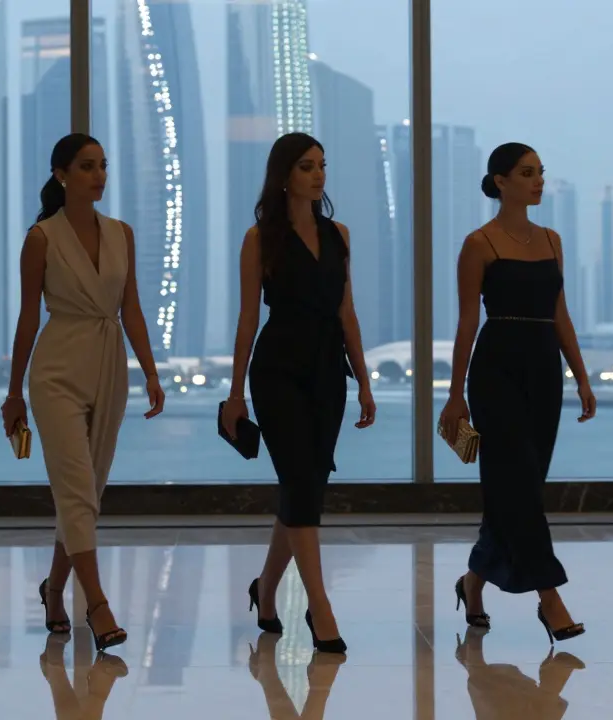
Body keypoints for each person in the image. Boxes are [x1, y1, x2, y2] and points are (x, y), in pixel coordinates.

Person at [2, 133, 165, 653]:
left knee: (86, 495)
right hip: (56, 368)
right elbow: (29, 318)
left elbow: (132, 307)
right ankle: (96, 604)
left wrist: (151, 372)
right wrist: (13, 393)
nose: (99, 175)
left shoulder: (122, 234)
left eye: (103, 166)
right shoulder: (41, 238)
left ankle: (53, 590)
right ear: (61, 174)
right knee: (75, 488)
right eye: (88, 166)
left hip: (109, 362)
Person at [221, 132, 376, 654]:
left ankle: (265, 589)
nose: (318, 175)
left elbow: (346, 311)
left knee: (304, 487)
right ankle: (319, 606)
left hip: (327, 370)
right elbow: (247, 317)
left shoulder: (340, 236)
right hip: (277, 369)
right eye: (307, 166)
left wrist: (365, 379)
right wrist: (236, 392)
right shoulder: (259, 238)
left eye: (323, 165)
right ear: (284, 174)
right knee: (299, 481)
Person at [439, 142, 595, 644]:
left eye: (541, 173)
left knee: (517, 490)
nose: (538, 181)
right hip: (496, 369)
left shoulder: (551, 240)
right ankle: (550, 598)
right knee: (519, 486)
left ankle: (472, 581)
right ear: (500, 181)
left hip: (544, 369)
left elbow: (560, 313)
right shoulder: (479, 243)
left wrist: (581, 374)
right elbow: (467, 321)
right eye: (527, 173)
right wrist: (455, 393)